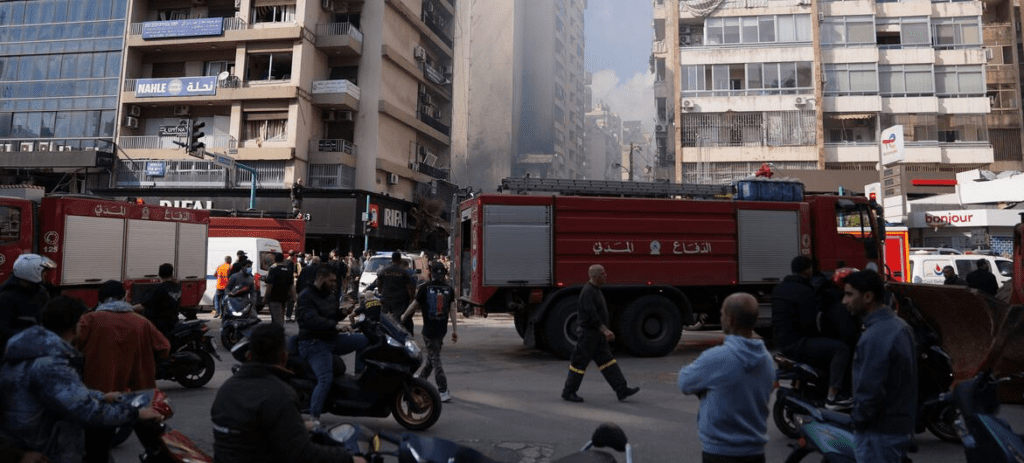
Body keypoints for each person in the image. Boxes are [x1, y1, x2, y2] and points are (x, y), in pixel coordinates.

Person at [0, 296, 163, 463]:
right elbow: (85, 410)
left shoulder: (34, 350)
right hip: (42, 448)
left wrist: (102, 396)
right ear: (75, 325)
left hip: (30, 443)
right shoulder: (49, 364)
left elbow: (61, 393)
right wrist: (134, 413)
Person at [211, 323, 365, 463]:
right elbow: (304, 454)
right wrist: (350, 459)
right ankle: (315, 412)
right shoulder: (280, 395)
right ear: (284, 356)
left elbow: (256, 427)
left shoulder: (226, 389)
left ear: (249, 356)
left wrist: (299, 425)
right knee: (325, 378)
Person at [76, 281, 170, 463]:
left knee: (96, 450)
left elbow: (72, 346)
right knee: (155, 447)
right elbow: (164, 348)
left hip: (100, 397)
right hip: (139, 396)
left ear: (100, 299)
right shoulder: (142, 322)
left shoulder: (89, 320)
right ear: (124, 297)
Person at [679, 293, 775, 463]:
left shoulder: (717, 357)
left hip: (719, 452)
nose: (721, 317)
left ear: (730, 320)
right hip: (755, 452)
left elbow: (684, 382)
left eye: (722, 314)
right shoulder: (766, 360)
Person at [841, 270, 917, 463]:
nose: (844, 301)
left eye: (849, 295)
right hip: (897, 427)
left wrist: (859, 421)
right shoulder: (899, 326)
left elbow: (870, 390)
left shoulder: (876, 335)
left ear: (868, 297)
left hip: (879, 433)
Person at [772, 255, 851, 408]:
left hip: (782, 341)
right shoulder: (805, 290)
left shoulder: (779, 288)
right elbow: (810, 322)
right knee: (841, 349)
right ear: (808, 270)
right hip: (798, 342)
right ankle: (833, 396)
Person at [296, 266, 369, 424]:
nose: (334, 284)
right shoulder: (305, 296)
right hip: (314, 343)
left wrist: (344, 312)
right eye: (331, 281)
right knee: (325, 378)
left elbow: (333, 314)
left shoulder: (329, 294)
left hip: (331, 338)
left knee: (363, 340)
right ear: (321, 278)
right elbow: (312, 320)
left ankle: (359, 377)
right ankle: (314, 418)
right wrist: (335, 327)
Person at [561, 264, 640, 403]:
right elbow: (591, 315)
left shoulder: (596, 290)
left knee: (608, 362)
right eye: (603, 274)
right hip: (588, 336)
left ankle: (621, 389)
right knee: (579, 364)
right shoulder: (588, 292)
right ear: (595, 277)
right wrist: (605, 330)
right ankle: (568, 392)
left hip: (596, 336)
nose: (605, 276)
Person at [401, 261, 458, 402]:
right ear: (444, 274)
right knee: (433, 359)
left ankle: (438, 389)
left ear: (431, 274)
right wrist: (454, 330)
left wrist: (404, 316)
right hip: (441, 331)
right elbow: (452, 310)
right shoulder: (449, 289)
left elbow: (414, 305)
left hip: (428, 331)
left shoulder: (424, 288)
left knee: (434, 360)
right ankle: (429, 386)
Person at [0, 253, 55, 357]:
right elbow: (3, 330)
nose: (46, 275)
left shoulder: (41, 292)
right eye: (43, 272)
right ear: (32, 272)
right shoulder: (6, 297)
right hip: (13, 355)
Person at [134, 263, 181, 339]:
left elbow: (145, 305)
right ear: (171, 274)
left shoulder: (159, 288)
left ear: (159, 274)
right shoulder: (176, 287)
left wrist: (131, 307)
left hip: (159, 325)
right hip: (173, 322)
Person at [376, 252, 415, 333]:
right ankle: (397, 333)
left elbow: (378, 282)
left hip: (386, 298)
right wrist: (411, 298)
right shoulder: (403, 271)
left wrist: (380, 292)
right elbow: (408, 286)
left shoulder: (384, 270)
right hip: (400, 299)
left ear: (392, 259)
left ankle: (385, 332)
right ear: (399, 259)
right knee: (398, 318)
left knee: (385, 317)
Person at [263, 253, 295, 326]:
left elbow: (269, 286)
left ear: (275, 260)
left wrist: (265, 298)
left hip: (274, 297)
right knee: (281, 316)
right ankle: (278, 329)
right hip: (284, 297)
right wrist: (294, 297)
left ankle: (279, 331)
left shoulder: (273, 270)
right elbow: (291, 285)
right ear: (283, 259)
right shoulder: (288, 270)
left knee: (277, 318)